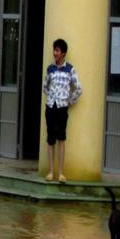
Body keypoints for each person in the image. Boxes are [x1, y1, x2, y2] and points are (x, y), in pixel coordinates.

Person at [42, 38, 82, 183]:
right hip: (50, 106)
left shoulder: (70, 69)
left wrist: (68, 101)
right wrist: (51, 97)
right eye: (54, 50)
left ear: (63, 53)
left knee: (61, 138)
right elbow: (45, 87)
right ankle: (51, 172)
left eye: (57, 50)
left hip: (62, 108)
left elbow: (78, 89)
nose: (55, 53)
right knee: (50, 139)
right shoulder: (50, 69)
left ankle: (61, 173)